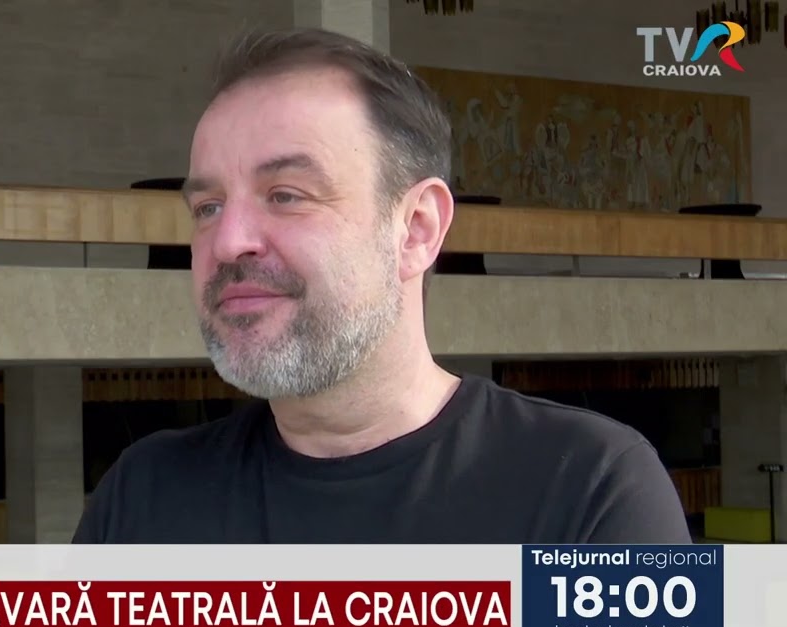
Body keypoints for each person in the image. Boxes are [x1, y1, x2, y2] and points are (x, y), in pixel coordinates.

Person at [70, 28, 693, 544]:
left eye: (286, 195)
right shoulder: (142, 497)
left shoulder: (590, 489)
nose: (228, 241)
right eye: (207, 207)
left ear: (417, 229)